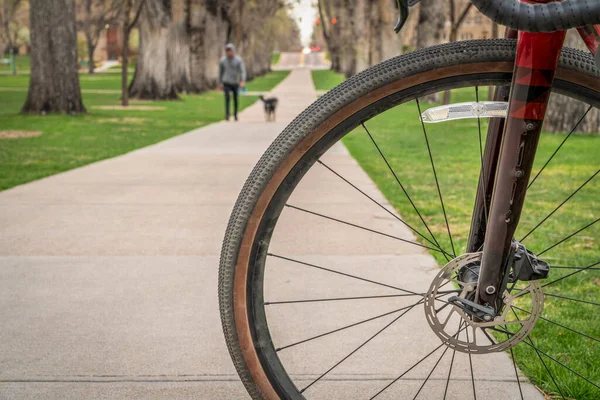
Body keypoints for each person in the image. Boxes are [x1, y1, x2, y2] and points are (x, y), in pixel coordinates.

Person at [218, 44, 246, 121]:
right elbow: (220, 72)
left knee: (235, 98)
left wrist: (242, 81)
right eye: (227, 51)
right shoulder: (223, 61)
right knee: (227, 98)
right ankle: (227, 115)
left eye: (230, 51)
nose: (229, 52)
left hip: (235, 82)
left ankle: (235, 114)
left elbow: (242, 71)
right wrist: (219, 82)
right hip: (226, 82)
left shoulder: (238, 60)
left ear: (233, 51)